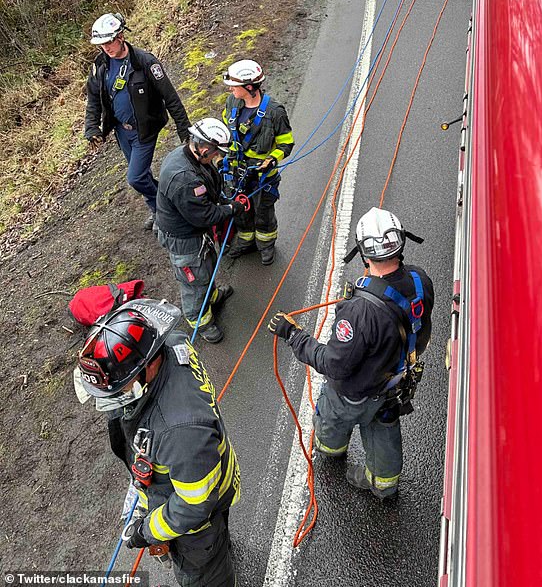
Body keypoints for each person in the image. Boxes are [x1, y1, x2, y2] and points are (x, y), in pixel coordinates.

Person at [269, 207, 434, 499]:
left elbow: (335, 364)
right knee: (384, 429)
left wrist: (294, 335)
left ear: (363, 254)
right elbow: (418, 331)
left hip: (355, 393)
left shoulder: (359, 311)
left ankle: (331, 450)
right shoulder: (421, 281)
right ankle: (384, 485)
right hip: (395, 384)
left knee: (332, 418)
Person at [77, 299, 240, 587]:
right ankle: (220, 550)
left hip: (197, 519)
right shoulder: (173, 344)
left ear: (147, 365)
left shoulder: (178, 432)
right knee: (218, 535)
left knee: (203, 573)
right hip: (208, 471)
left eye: (119, 385)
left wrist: (147, 530)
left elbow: (193, 505)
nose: (113, 398)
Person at [84, 13, 190, 230]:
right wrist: (92, 127)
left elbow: (170, 97)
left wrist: (184, 129)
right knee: (143, 174)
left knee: (135, 178)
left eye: (109, 42)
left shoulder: (145, 62)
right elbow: (94, 98)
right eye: (101, 44)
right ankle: (158, 209)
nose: (106, 48)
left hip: (145, 129)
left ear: (121, 36)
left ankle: (165, 206)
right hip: (122, 132)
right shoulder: (100, 65)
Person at [155, 118, 249, 343]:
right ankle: (199, 319)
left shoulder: (190, 156)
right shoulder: (184, 179)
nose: (216, 156)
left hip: (195, 233)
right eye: (216, 152)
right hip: (184, 240)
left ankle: (212, 295)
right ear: (205, 148)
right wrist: (231, 209)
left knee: (206, 267)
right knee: (194, 281)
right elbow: (204, 216)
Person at [221, 59, 294, 265]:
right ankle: (246, 241)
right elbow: (228, 132)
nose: (231, 88)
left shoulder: (275, 112)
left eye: (235, 85)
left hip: (263, 177)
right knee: (240, 209)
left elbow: (286, 143)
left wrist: (272, 159)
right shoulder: (231, 103)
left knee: (263, 212)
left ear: (250, 87)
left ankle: (266, 244)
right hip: (237, 173)